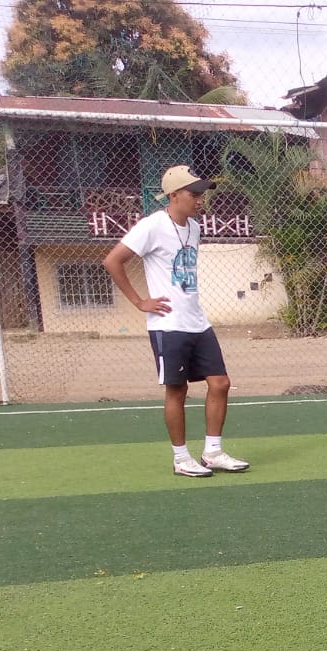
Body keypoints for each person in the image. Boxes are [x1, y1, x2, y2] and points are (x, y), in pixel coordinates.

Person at [102, 164, 248, 477]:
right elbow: (113, 260)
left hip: (197, 321)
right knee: (177, 391)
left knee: (220, 383)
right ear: (173, 195)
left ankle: (213, 453)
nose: (200, 200)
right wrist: (140, 302)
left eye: (201, 194)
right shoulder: (152, 226)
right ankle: (181, 458)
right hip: (168, 325)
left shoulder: (194, 228)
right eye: (193, 194)